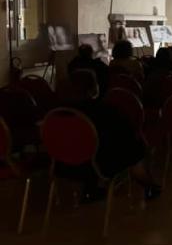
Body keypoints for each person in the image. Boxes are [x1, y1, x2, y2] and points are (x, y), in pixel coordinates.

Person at [61, 69, 160, 201]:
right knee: (136, 148)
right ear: (93, 88)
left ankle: (92, 188)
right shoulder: (104, 111)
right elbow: (126, 134)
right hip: (98, 165)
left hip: (65, 165)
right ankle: (148, 184)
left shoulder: (58, 112)